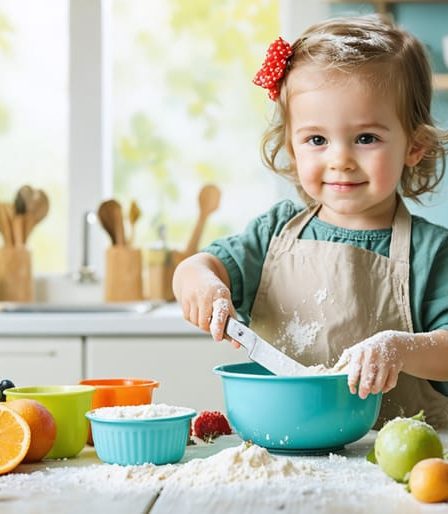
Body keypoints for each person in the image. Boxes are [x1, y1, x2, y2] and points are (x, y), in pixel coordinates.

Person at [173, 14, 448, 428]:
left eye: (366, 138)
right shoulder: (274, 234)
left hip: (397, 466)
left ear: (414, 146)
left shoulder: (431, 253)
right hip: (281, 455)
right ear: (292, 146)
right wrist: (205, 287)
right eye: (317, 140)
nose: (339, 159)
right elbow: (196, 267)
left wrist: (402, 348)